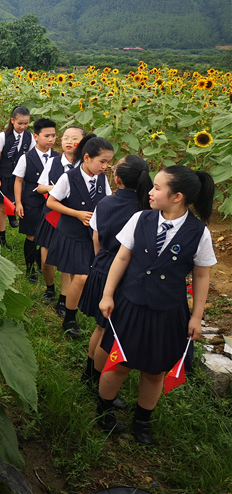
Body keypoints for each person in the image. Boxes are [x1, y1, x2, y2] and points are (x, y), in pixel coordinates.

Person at [97, 166, 215, 443]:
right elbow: (122, 258)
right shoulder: (141, 219)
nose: (150, 191)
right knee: (119, 363)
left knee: (154, 371)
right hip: (131, 304)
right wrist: (108, 294)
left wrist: (196, 317)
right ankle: (104, 411)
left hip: (168, 311)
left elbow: (201, 274)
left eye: (157, 187)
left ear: (177, 197)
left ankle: (142, 421)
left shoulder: (199, 233)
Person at [79, 155, 152, 404]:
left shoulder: (105, 203)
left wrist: (102, 263)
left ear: (117, 179)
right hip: (125, 274)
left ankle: (89, 374)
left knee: (101, 327)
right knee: (110, 331)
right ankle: (97, 381)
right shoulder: (147, 211)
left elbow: (96, 239)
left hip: (102, 266)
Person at [45, 134, 114, 338]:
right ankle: (70, 319)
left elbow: (107, 202)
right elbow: (51, 202)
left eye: (108, 162)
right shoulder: (69, 177)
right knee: (82, 276)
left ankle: (66, 302)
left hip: (91, 236)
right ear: (86, 158)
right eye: (102, 161)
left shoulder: (102, 179)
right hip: (71, 234)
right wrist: (76, 213)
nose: (105, 166)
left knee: (78, 275)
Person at [36, 126, 85, 304]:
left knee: (67, 261)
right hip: (52, 215)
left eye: (74, 138)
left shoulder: (85, 166)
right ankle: (50, 288)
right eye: (65, 138)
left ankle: (64, 300)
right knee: (46, 259)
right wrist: (51, 188)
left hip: (73, 217)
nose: (69, 142)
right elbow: (40, 186)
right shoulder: (53, 162)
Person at [13, 118, 57, 282]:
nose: (51, 139)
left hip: (51, 203)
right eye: (47, 136)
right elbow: (18, 181)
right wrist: (18, 203)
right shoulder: (27, 157)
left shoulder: (57, 157)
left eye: (53, 135)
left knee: (47, 235)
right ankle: (30, 268)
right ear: (36, 136)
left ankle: (42, 262)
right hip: (31, 201)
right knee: (31, 235)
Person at [0, 105, 32, 246]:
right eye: (20, 123)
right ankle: (1, 237)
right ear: (12, 121)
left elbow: (32, 156)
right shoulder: (3, 136)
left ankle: (13, 216)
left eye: (26, 123)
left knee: (19, 202)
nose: (23, 126)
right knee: (2, 206)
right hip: (4, 176)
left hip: (20, 177)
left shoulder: (29, 137)